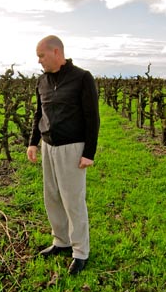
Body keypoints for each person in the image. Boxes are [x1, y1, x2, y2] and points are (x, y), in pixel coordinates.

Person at [27, 35, 100, 275]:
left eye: (41, 56)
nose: (39, 61)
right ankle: (61, 241)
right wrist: (33, 143)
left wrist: (89, 152)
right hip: (48, 146)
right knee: (52, 197)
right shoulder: (42, 81)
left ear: (56, 52)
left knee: (73, 200)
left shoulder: (82, 78)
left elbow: (92, 117)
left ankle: (80, 252)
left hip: (73, 147)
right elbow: (39, 114)